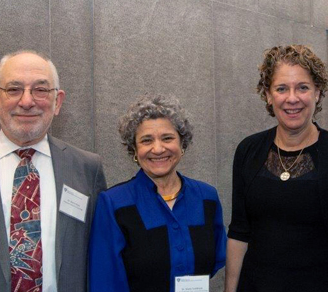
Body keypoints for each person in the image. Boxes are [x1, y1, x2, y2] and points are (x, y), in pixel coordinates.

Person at [0, 50, 107, 292]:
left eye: (40, 90)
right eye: (14, 89)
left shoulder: (86, 169)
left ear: (57, 101)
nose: (27, 101)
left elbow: (99, 257)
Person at [225, 45, 328, 292]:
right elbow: (239, 232)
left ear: (317, 93)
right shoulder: (248, 151)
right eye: (281, 88)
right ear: (268, 95)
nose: (292, 98)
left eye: (303, 87)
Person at [88, 94, 226, 292]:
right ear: (134, 149)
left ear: (182, 144)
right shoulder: (114, 204)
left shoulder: (207, 198)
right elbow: (105, 281)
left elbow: (214, 260)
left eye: (167, 138)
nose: (158, 148)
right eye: (146, 140)